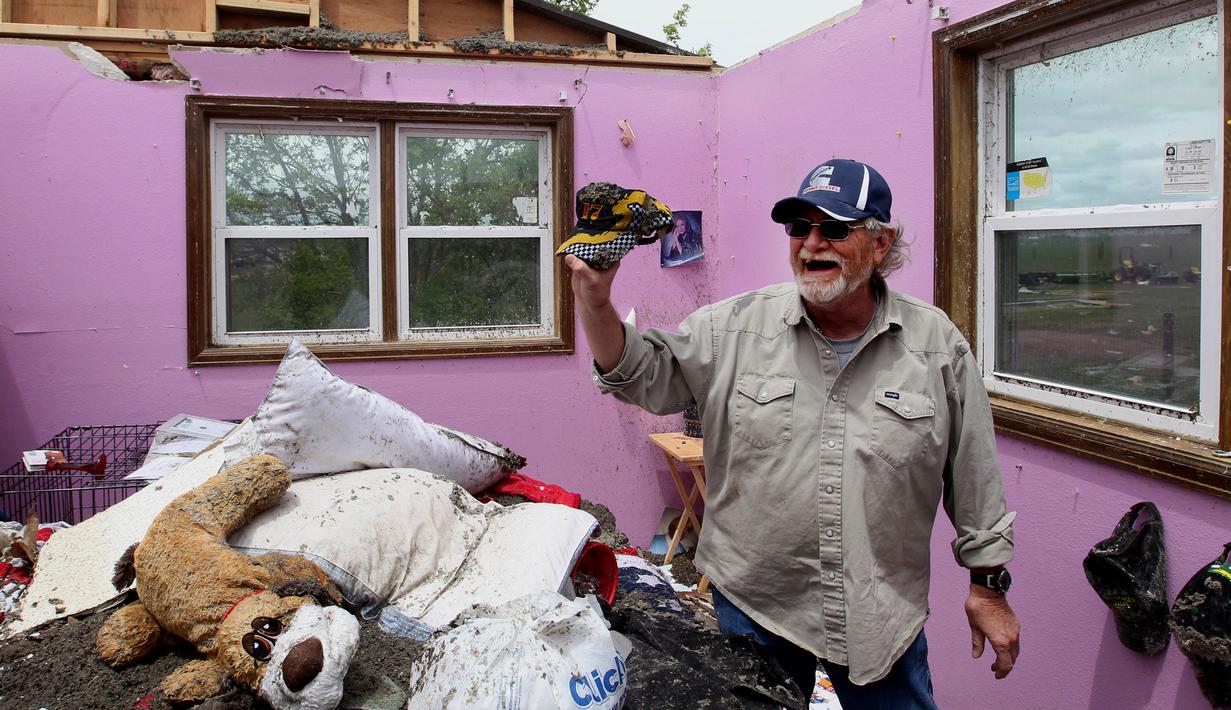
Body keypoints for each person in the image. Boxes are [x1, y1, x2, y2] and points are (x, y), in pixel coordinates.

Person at [565, 159, 1021, 709]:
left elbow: (973, 472)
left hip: (880, 617)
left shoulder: (934, 346)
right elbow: (641, 375)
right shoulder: (733, 328)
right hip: (759, 606)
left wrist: (988, 587)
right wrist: (594, 302)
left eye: (833, 228)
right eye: (799, 228)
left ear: (881, 244)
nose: (811, 244)